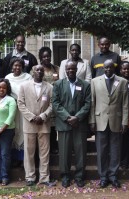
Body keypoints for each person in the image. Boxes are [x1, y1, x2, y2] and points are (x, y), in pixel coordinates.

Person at [89, 59, 128, 188]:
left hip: (116, 121)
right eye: (106, 68)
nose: (108, 69)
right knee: (101, 151)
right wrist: (92, 121)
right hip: (100, 121)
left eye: (110, 67)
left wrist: (125, 122)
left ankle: (113, 175)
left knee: (115, 150)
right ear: (103, 68)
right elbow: (92, 102)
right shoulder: (94, 81)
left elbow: (125, 104)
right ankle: (103, 177)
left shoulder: (122, 82)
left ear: (114, 68)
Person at [52, 60, 91, 188]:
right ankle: (65, 176)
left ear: (76, 70)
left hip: (79, 124)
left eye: (73, 69)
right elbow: (55, 103)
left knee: (81, 152)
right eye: (68, 69)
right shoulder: (58, 84)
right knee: (64, 152)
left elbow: (87, 104)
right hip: (64, 124)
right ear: (65, 70)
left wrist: (77, 117)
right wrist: (68, 117)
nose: (70, 71)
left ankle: (80, 176)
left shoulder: (85, 85)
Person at [18, 65, 55, 187]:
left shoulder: (49, 87)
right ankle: (30, 177)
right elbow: (21, 104)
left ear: (44, 73)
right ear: (32, 72)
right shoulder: (24, 86)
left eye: (41, 70)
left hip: (44, 124)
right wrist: (32, 117)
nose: (39, 72)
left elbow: (52, 104)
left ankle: (44, 177)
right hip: (29, 124)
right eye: (37, 70)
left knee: (44, 152)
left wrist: (43, 116)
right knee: (29, 152)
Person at [5, 58, 33, 167]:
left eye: (19, 66)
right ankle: (15, 158)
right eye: (15, 66)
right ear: (12, 67)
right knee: (14, 131)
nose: (17, 67)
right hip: (12, 109)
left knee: (23, 132)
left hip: (25, 109)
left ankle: (23, 158)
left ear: (22, 67)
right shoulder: (8, 78)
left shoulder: (28, 77)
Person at [36, 46, 59, 154]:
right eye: (44, 56)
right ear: (41, 57)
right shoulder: (36, 69)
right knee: (44, 123)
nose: (46, 58)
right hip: (42, 100)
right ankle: (44, 147)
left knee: (53, 124)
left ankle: (53, 146)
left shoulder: (56, 69)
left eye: (48, 56)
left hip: (54, 99)